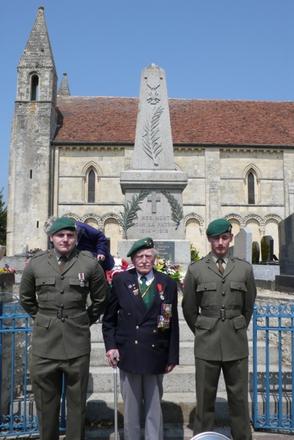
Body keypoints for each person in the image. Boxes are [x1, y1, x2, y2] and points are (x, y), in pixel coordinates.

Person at [20, 217, 109, 440]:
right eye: (61, 235)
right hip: (44, 344)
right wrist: (44, 318)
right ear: (51, 238)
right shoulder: (37, 263)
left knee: (77, 404)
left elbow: (100, 299)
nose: (65, 240)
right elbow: (26, 298)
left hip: (76, 342)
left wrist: (81, 319)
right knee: (45, 403)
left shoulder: (89, 264)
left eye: (70, 235)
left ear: (76, 238)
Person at [182, 218, 256, 440]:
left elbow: (248, 305)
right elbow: (189, 308)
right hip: (207, 343)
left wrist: (237, 325)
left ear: (230, 238)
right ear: (209, 240)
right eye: (216, 239)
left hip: (235, 341)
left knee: (239, 399)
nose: (220, 243)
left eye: (224, 238)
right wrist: (203, 330)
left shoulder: (244, 269)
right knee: (205, 400)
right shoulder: (196, 270)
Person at [102, 237, 179, 440]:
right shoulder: (121, 281)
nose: (144, 261)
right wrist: (111, 347)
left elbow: (170, 322)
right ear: (133, 260)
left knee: (154, 409)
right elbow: (108, 320)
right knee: (131, 410)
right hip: (129, 354)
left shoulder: (167, 283)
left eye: (148, 256)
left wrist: (172, 356)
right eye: (139, 257)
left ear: (154, 258)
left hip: (155, 354)